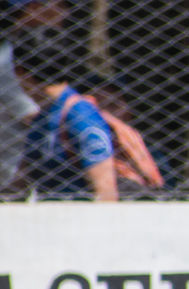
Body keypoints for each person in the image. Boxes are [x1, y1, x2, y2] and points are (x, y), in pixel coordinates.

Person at [0, 0, 88, 187]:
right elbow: (37, 119)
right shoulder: (7, 63)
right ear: (33, 7)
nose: (66, 12)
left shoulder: (34, 56)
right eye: (60, 3)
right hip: (26, 183)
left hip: (50, 175)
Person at [11, 28, 118, 201]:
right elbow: (20, 183)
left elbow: (106, 193)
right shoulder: (42, 118)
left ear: (19, 72)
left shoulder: (80, 116)